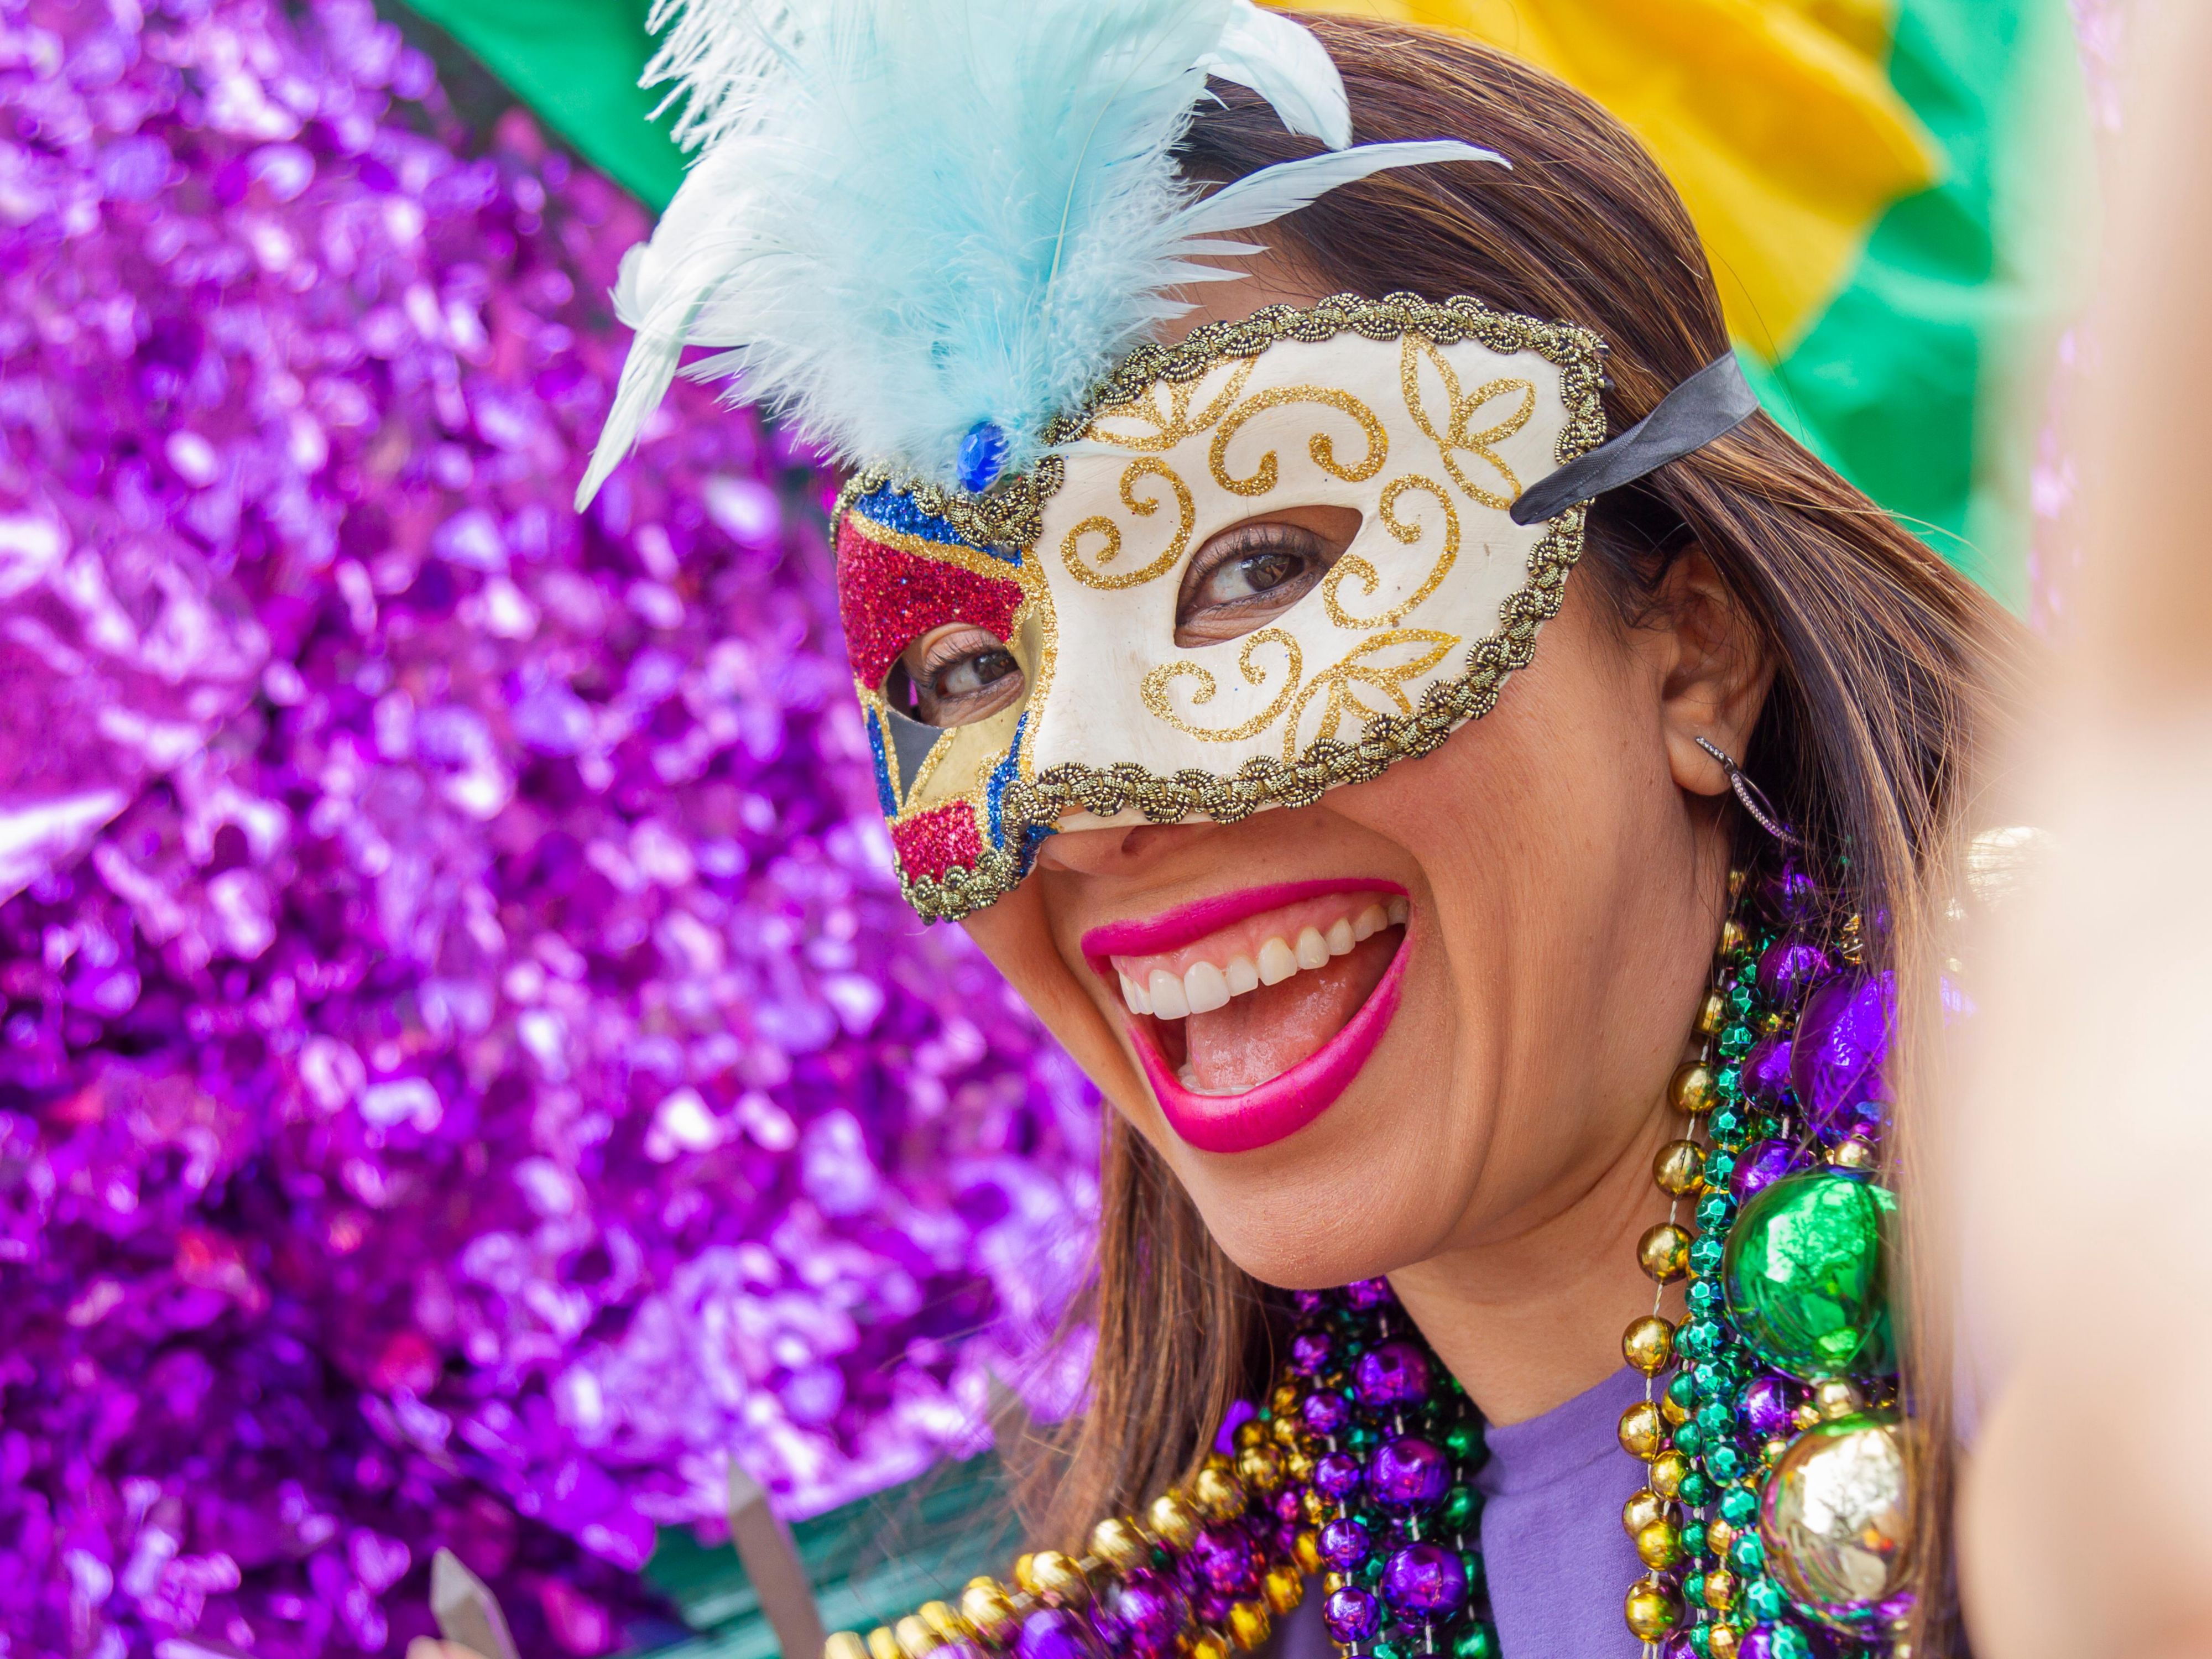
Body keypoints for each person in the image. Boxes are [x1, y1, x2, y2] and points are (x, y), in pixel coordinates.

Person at [583, 4, 2017, 1656]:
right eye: (974, 665)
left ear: (1693, 644)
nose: (1090, 812)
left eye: (1260, 568)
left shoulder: (2096, 1314)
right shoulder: (1243, 1601)